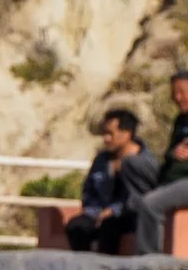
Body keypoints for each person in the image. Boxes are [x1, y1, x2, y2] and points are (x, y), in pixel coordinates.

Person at [123, 69, 188, 256]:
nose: (177, 97)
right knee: (131, 165)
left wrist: (176, 156)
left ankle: (149, 258)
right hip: (174, 177)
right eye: (174, 93)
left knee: (151, 204)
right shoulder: (181, 119)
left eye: (182, 92)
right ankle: (139, 207)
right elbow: (172, 153)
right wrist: (174, 154)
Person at [65, 108, 157, 254]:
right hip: (99, 213)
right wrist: (94, 212)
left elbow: (141, 197)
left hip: (129, 215)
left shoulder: (144, 162)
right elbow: (89, 191)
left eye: (110, 134)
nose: (106, 139)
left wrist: (113, 211)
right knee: (77, 227)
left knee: (110, 227)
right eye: (104, 134)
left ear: (126, 133)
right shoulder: (102, 159)